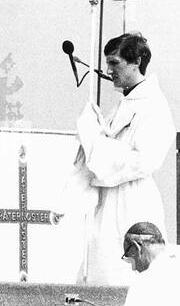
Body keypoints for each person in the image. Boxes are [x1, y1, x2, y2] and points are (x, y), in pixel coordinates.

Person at [66, 33, 176, 285]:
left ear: (136, 61)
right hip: (109, 198)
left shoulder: (154, 105)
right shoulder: (123, 103)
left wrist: (99, 146)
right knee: (100, 270)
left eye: (115, 63)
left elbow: (146, 160)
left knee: (129, 274)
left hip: (133, 199)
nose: (109, 70)